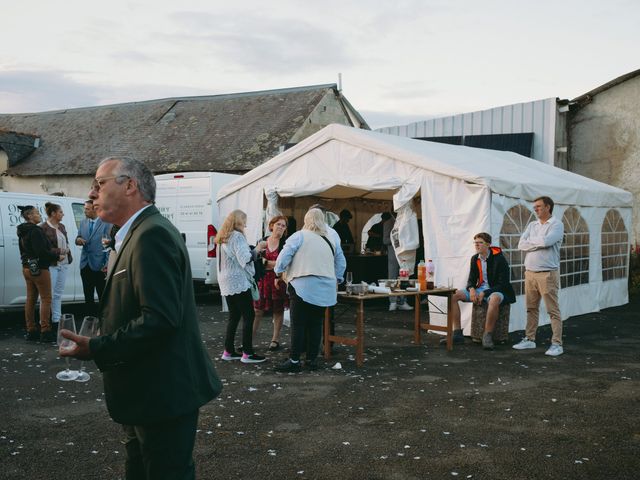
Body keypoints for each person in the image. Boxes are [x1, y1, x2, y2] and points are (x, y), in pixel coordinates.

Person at [60, 155, 222, 479]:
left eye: (99, 184)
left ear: (130, 185)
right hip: (143, 391)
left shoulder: (151, 235)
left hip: (162, 394)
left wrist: (98, 348)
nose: (91, 194)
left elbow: (159, 319)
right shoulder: (134, 234)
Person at [274, 208, 346, 372]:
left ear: (306, 220)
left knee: (298, 324)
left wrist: (278, 271)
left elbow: (284, 256)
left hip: (302, 285)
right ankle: (312, 360)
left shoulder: (299, 235)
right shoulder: (331, 238)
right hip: (325, 287)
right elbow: (340, 262)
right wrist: (338, 279)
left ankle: (294, 361)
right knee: (316, 324)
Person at [443, 232, 516, 350]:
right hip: (480, 289)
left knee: (494, 300)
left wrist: (485, 293)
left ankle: (487, 335)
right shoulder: (475, 258)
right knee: (453, 296)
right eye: (475, 243)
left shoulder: (500, 259)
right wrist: (471, 289)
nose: (477, 245)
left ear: (488, 244)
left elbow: (503, 284)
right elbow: (471, 279)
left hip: (496, 290)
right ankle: (457, 333)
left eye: (480, 243)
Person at [514, 196, 565, 356]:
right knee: (531, 308)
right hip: (530, 273)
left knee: (552, 310)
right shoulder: (532, 224)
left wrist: (532, 242)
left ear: (548, 207)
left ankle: (557, 344)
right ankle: (529, 339)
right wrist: (538, 242)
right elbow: (521, 244)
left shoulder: (557, 224)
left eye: (538, 206)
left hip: (547, 274)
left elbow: (547, 242)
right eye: (534, 207)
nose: (535, 209)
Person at [216, 209, 267, 363]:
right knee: (248, 315)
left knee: (234, 316)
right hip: (237, 280)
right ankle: (247, 353)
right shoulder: (237, 236)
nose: (246, 224)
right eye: (244, 220)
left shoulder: (223, 238)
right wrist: (258, 248)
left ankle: (229, 351)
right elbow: (245, 258)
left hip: (225, 280)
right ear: (238, 221)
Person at [17, 205, 58, 343]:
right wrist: (58, 254)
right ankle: (45, 331)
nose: (39, 215)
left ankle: (31, 330)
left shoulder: (22, 231)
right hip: (40, 269)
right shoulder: (35, 231)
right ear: (29, 216)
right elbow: (42, 252)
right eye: (36, 213)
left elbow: (24, 252)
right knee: (46, 299)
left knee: (30, 300)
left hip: (27, 268)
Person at [253, 215, 289, 352]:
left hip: (278, 281)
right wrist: (274, 264)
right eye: (278, 224)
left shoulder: (286, 243)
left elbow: (284, 264)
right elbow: (257, 262)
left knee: (278, 310)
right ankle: (249, 339)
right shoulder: (262, 241)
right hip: (262, 281)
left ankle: (275, 340)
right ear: (272, 225)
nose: (280, 227)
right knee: (257, 310)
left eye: (283, 225)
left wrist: (267, 263)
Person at [40, 202, 73, 330]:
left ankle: (56, 321)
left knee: (58, 294)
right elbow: (44, 249)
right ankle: (45, 323)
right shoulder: (43, 228)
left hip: (63, 264)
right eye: (60, 212)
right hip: (52, 265)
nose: (63, 214)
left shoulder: (62, 226)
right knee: (49, 295)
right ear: (53, 213)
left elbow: (66, 241)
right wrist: (59, 252)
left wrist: (67, 250)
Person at [75, 199, 111, 314]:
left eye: (86, 209)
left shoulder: (106, 223)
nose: (84, 211)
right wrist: (78, 240)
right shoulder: (83, 222)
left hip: (99, 265)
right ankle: (90, 321)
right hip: (85, 264)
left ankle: (104, 323)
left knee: (103, 297)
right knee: (88, 296)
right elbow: (78, 237)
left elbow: (109, 246)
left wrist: (105, 265)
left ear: (95, 209)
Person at [382, 212, 412, 311]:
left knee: (404, 277)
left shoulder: (404, 221)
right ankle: (393, 301)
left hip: (404, 254)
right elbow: (385, 240)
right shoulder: (388, 222)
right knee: (392, 278)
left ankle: (402, 301)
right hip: (393, 256)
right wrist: (397, 239)